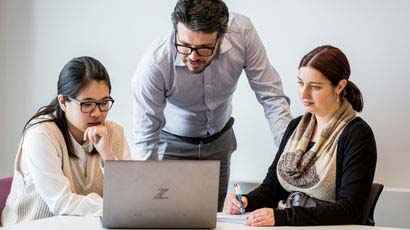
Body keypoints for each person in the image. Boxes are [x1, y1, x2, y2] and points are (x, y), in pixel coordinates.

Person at [131, 0, 292, 211]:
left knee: (211, 218)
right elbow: (145, 137)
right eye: (185, 46)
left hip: (219, 141)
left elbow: (271, 95)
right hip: (171, 144)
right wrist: (144, 200)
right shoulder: (154, 64)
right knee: (166, 216)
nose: (193, 57)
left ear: (221, 37)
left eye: (204, 48)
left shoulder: (241, 32)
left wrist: (291, 154)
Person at [224, 45, 377, 226]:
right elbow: (272, 188)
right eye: (300, 83)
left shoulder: (357, 134)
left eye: (315, 87)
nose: (304, 93)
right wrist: (245, 201)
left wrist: (283, 217)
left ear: (340, 86)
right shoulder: (296, 126)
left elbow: (350, 210)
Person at [1, 56, 130, 226]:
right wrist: (117, 208)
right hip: (31, 225)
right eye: (87, 104)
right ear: (63, 102)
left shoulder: (113, 132)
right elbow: (61, 202)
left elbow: (129, 198)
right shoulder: (41, 134)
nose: (98, 113)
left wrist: (107, 154)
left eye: (104, 102)